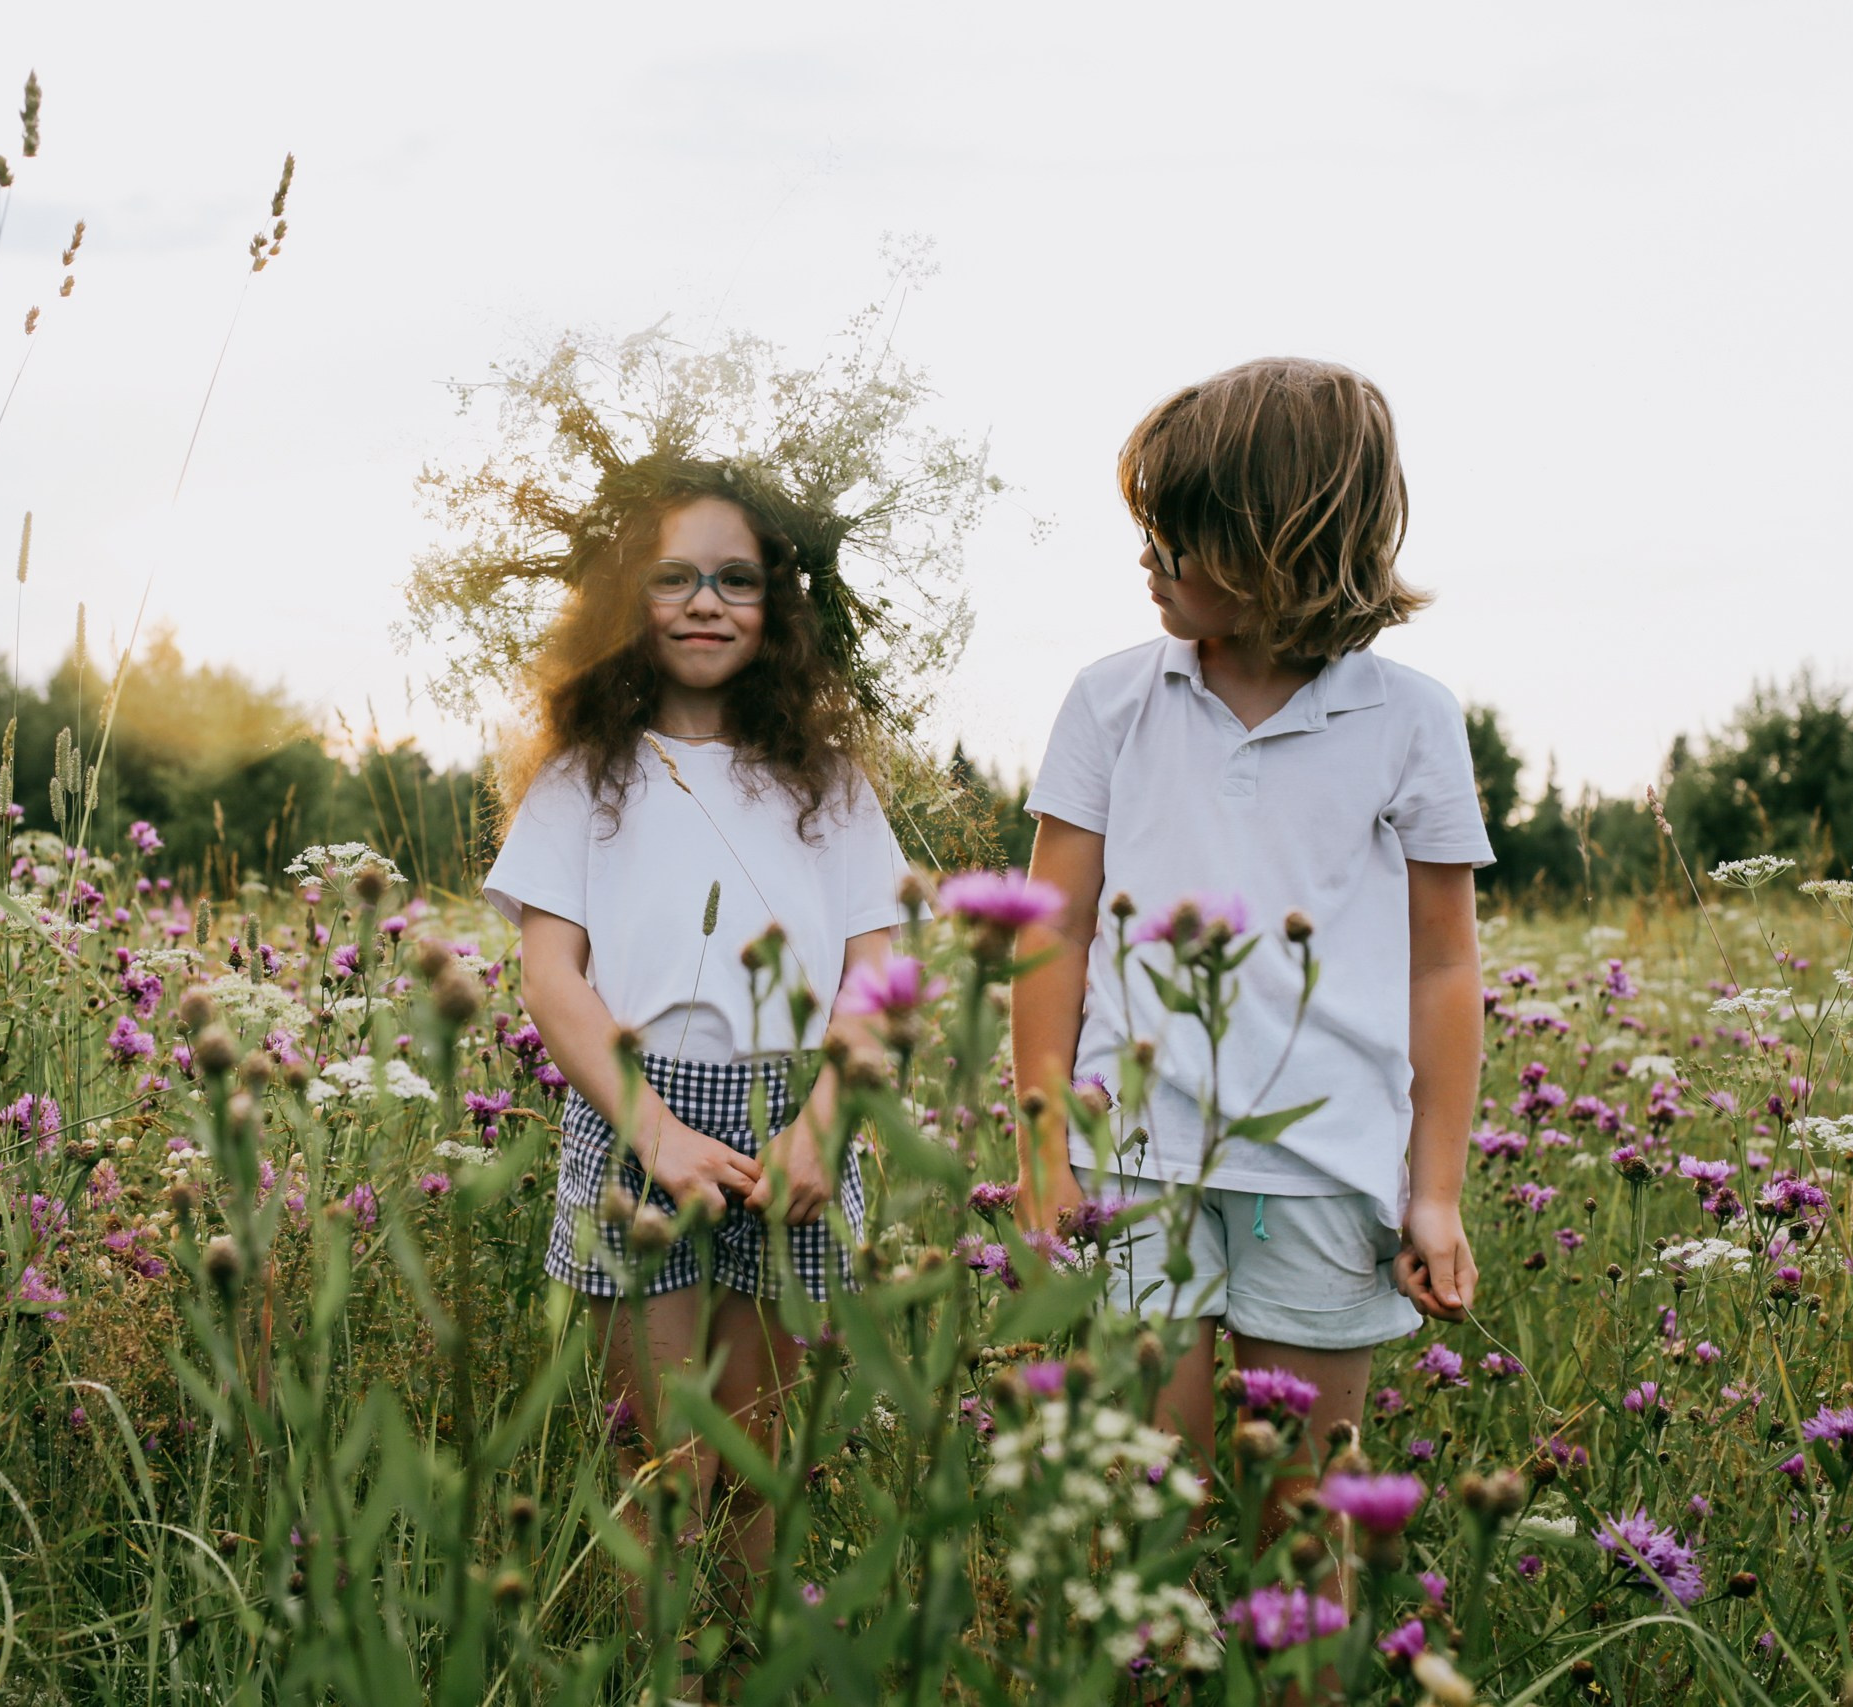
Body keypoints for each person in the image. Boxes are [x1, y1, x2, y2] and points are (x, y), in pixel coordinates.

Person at [1011, 357, 1491, 1490]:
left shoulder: (1410, 720)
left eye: (1174, 535)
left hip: (1323, 1168)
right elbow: (1051, 931)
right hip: (1133, 1155)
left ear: (1277, 544)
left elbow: (1442, 967)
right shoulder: (1110, 699)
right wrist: (1040, 1141)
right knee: (1142, 1490)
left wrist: (1433, 1191)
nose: (1146, 557)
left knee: (1308, 1501)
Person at [483, 458, 908, 1683]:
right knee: (663, 1457)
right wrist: (655, 1131)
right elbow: (553, 979)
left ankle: (748, 1671)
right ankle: (660, 1673)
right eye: (672, 579)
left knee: (761, 1460)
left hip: (796, 1125)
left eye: (734, 580)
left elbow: (875, 977)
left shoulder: (826, 785)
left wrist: (827, 1121)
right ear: (629, 601)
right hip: (638, 1115)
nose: (705, 603)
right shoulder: (583, 779)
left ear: (777, 607)